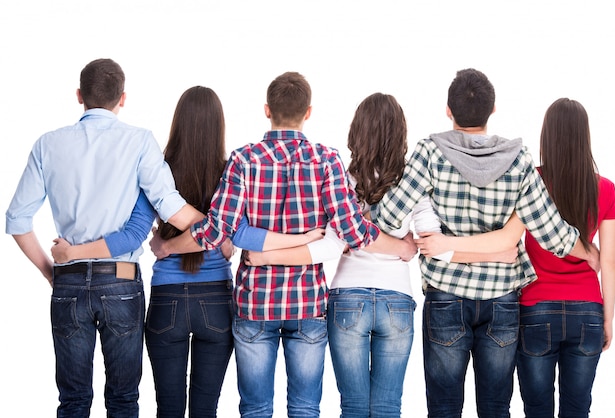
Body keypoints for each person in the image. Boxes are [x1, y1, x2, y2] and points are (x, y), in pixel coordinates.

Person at [149, 72, 417, 418]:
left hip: (254, 303)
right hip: (306, 303)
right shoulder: (327, 161)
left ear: (266, 110)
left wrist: (170, 247)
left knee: (256, 408)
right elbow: (353, 231)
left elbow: (218, 231)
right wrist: (400, 247)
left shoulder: (243, 160)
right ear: (308, 112)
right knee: (305, 408)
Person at [49, 86, 326, 417]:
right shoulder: (232, 169)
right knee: (205, 409)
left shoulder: (158, 170)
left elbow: (136, 233)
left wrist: (165, 246)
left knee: (168, 408)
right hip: (216, 301)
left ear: (177, 123)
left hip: (168, 300)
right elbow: (230, 235)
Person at [243, 92, 521, 418]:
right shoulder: (411, 182)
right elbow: (432, 242)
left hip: (347, 297)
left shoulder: (342, 179)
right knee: (389, 407)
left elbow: (335, 242)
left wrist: (271, 254)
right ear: (400, 133)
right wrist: (407, 246)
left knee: (354, 407)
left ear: (356, 131)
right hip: (397, 300)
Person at [371, 68, 599, 417]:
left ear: (448, 110)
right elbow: (552, 232)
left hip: (446, 295)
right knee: (495, 408)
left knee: (444, 408)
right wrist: (590, 253)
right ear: (493, 111)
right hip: (502, 300)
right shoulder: (519, 160)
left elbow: (388, 218)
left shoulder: (429, 152)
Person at [4, 59, 202, 417]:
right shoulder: (140, 141)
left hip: (69, 283)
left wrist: (53, 273)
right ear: (122, 98)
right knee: (124, 399)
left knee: (73, 400)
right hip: (121, 283)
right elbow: (171, 209)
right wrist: (222, 223)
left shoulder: (47, 144)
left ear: (79, 95)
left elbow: (17, 220)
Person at [515, 98, 615, 417]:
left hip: (535, 307)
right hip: (587, 310)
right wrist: (608, 318)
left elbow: (510, 243)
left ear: (547, 136)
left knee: (537, 409)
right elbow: (610, 262)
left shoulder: (531, 182)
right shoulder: (605, 189)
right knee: (577, 409)